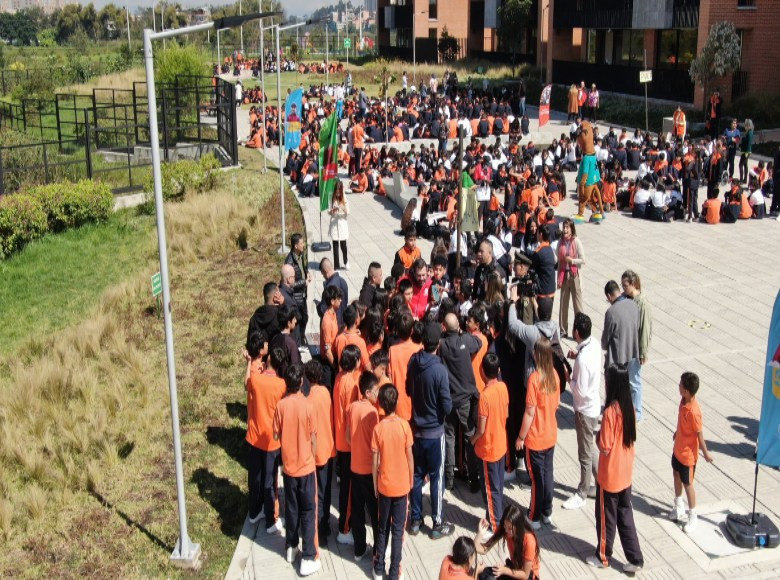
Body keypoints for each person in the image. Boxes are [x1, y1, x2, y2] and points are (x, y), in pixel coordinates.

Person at [586, 365, 643, 574]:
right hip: (626, 473)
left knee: (605, 518)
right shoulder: (630, 409)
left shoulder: (610, 412)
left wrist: (599, 434)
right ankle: (635, 558)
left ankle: (603, 556)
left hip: (609, 476)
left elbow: (605, 446)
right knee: (625, 517)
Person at [272, 363, 321, 576]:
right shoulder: (308, 405)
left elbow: (275, 435)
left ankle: (291, 546)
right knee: (309, 511)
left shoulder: (281, 406)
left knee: (291, 509)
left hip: (289, 468)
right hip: (307, 467)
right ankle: (308, 556)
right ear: (301, 382)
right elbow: (314, 437)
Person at [407, 320, 454, 539]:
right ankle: (437, 522)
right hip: (435, 432)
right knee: (437, 477)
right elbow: (446, 405)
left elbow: (408, 389)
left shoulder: (413, 362)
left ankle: (415, 519)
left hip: (416, 429)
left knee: (416, 476)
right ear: (438, 344)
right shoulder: (440, 370)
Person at [515, 337, 560, 530]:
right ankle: (547, 512)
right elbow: (556, 405)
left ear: (538, 355)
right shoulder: (555, 376)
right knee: (547, 475)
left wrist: (521, 437)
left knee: (536, 479)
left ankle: (533, 515)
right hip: (550, 434)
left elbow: (529, 411)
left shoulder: (535, 379)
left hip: (535, 438)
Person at [372, 384, 414, 580]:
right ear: (396, 402)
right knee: (398, 531)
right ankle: (394, 570)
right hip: (401, 486)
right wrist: (411, 479)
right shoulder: (404, 426)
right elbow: (409, 457)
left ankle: (378, 567)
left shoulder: (378, 429)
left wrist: (375, 484)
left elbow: (375, 462)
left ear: (380, 404)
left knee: (382, 528)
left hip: (384, 486)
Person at [244, 333, 285, 530]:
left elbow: (247, 383)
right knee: (271, 481)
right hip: (271, 439)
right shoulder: (281, 385)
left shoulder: (256, 379)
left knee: (255, 477)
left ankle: (253, 512)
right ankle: (271, 518)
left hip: (253, 436)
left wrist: (249, 362)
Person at [439, 313, 482, 491]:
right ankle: (473, 479)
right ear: (458, 326)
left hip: (449, 399)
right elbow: (478, 343)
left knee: (449, 438)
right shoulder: (465, 340)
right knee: (469, 437)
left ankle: (449, 480)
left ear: (443, 327)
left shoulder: (442, 345)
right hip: (465, 400)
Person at [562, 313, 600, 510]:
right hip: (593, 407)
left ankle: (582, 492)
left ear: (576, 332)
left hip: (584, 411)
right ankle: (601, 483)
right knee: (590, 446)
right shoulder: (593, 344)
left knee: (584, 454)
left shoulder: (583, 361)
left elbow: (580, 391)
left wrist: (569, 378)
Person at [669, 371, 714, 534]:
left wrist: (706, 453)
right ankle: (679, 504)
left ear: (687, 390)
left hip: (688, 456)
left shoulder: (695, 412)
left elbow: (699, 435)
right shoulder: (683, 402)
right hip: (678, 449)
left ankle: (693, 515)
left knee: (688, 484)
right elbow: (681, 422)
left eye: (680, 384)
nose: (678, 386)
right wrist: (677, 431)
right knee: (676, 474)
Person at [470, 354, 509, 531]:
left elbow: (481, 429)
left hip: (488, 449)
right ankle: (495, 516)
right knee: (498, 486)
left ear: (482, 372)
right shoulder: (503, 387)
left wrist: (473, 439)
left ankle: (495, 524)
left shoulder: (484, 396)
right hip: (501, 443)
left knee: (490, 489)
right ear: (499, 370)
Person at [346, 371, 380, 561]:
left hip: (354, 467)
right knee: (374, 512)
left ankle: (359, 549)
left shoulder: (352, 408)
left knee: (357, 511)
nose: (378, 395)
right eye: (376, 391)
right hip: (369, 470)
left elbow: (348, 437)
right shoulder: (373, 413)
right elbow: (375, 444)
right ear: (367, 392)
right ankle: (377, 549)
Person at [333, 345, 361, 545]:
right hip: (349, 442)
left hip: (341, 440)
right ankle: (344, 528)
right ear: (356, 362)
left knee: (346, 487)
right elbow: (352, 415)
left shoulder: (339, 377)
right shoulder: (350, 384)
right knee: (349, 490)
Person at [305, 361, 336, 543]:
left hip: (312, 451)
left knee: (314, 491)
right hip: (327, 447)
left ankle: (316, 527)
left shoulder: (307, 398)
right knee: (325, 491)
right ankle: (324, 528)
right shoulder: (326, 393)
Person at [601, 280, 641, 420]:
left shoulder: (611, 312)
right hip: (633, 352)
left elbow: (605, 341)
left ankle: (613, 413)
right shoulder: (633, 304)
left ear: (609, 296)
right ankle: (632, 411)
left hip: (616, 357)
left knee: (614, 387)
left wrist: (604, 345)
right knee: (631, 384)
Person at [474, 504, 541, 580]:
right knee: (485, 575)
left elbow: (525, 575)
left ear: (518, 526)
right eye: (505, 526)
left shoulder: (529, 540)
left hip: (528, 576)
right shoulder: (505, 529)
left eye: (510, 528)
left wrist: (504, 570)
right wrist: (480, 533)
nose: (506, 530)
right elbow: (483, 549)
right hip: (514, 569)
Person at [621, 270, 651, 420]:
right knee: (627, 380)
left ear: (633, 284)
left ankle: (637, 414)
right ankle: (629, 408)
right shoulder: (627, 299)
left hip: (635, 349)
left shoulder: (642, 303)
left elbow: (645, 329)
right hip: (626, 346)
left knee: (634, 381)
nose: (623, 288)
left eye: (625, 285)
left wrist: (643, 352)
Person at [388, 311, 423, 422]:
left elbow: (389, 377)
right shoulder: (419, 349)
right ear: (412, 330)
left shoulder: (392, 350)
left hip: (399, 405)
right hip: (417, 403)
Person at [557, 218, 585, 339]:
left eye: (567, 227)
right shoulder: (561, 242)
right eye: (564, 227)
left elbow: (583, 260)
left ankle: (579, 330)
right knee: (563, 303)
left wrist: (572, 260)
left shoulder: (576, 241)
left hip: (574, 275)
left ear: (572, 229)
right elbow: (558, 258)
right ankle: (563, 329)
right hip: (564, 273)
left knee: (577, 304)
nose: (565, 230)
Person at [284, 234, 312, 346]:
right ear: (296, 245)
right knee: (298, 320)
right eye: (301, 243)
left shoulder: (300, 255)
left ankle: (301, 338)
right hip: (296, 296)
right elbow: (289, 284)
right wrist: (304, 282)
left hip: (303, 294)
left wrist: (307, 273)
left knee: (305, 317)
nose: (303, 245)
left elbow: (302, 269)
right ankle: (298, 343)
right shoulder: (289, 262)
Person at [317, 258, 348, 325]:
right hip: (343, 323)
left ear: (325, 271)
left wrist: (318, 306)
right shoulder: (343, 281)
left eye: (323, 274)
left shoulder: (329, 288)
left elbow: (323, 310)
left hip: (332, 324)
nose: (323, 276)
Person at [329, 181, 350, 270]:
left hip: (342, 223)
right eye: (336, 192)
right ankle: (336, 265)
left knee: (343, 245)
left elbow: (348, 212)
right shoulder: (331, 197)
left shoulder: (344, 198)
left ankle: (346, 261)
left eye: (338, 193)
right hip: (334, 223)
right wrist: (332, 211)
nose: (337, 194)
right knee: (335, 245)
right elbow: (328, 210)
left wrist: (343, 208)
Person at [739, 119, 754, 184]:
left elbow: (749, 143)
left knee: (741, 165)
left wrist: (746, 152)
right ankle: (744, 180)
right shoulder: (748, 132)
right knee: (745, 165)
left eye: (746, 125)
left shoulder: (750, 132)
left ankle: (741, 180)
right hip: (744, 151)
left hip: (746, 152)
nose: (745, 126)